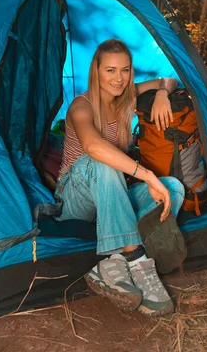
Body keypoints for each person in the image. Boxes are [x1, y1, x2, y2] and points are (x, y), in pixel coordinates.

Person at [55, 38, 185, 316]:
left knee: (172, 187)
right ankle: (137, 260)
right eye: (110, 70)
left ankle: (112, 264)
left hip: (113, 193)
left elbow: (170, 80)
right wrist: (147, 175)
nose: (119, 78)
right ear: (97, 71)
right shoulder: (82, 106)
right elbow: (93, 146)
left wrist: (161, 92)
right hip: (76, 200)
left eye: (125, 70)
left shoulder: (128, 98)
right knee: (104, 162)